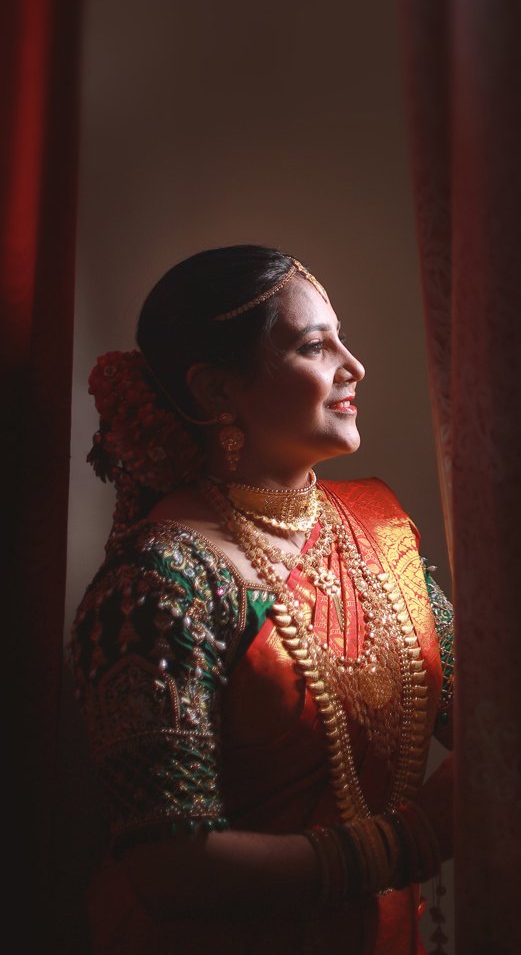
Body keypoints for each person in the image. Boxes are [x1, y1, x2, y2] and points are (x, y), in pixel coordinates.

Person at [68, 245, 455, 955]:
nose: (353, 366)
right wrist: (413, 839)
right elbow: (170, 870)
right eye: (315, 345)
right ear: (217, 391)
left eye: (341, 338)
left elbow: (483, 714)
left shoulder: (380, 530)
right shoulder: (160, 582)